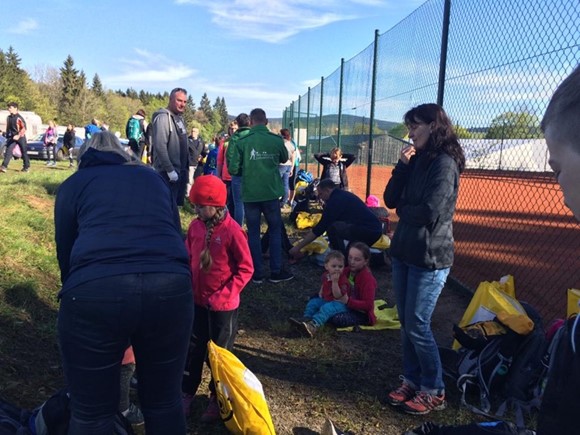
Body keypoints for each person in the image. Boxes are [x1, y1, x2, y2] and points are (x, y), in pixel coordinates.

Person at [54, 131, 194, 434]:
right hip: (170, 285)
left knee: (91, 413)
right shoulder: (152, 178)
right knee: (164, 400)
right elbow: (175, 232)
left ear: (84, 158)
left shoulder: (73, 185)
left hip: (95, 289)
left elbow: (65, 251)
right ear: (123, 154)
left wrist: (76, 297)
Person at [383, 103, 465, 416]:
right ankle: (412, 380)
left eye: (416, 125)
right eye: (410, 126)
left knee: (417, 324)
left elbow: (428, 211)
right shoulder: (417, 162)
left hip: (430, 257)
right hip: (405, 252)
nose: (410, 132)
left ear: (434, 126)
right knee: (407, 323)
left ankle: (434, 389)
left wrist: (405, 209)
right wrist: (402, 168)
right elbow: (392, 199)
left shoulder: (444, 164)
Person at [181, 175, 253, 422]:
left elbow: (246, 269)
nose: (196, 210)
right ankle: (186, 393)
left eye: (200, 206)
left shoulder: (233, 232)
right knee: (193, 349)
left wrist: (225, 294)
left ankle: (217, 397)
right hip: (197, 303)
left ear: (216, 205)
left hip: (223, 308)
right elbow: (186, 258)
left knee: (219, 354)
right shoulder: (195, 227)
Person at [228, 108, 293, 284]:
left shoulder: (243, 141)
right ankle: (276, 271)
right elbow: (284, 158)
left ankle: (256, 273)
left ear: (250, 122)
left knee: (253, 232)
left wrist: (248, 169)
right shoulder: (275, 140)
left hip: (250, 194)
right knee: (275, 229)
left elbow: (233, 168)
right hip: (271, 192)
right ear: (266, 122)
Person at [289, 178, 383, 258]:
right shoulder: (342, 195)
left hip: (368, 230)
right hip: (373, 229)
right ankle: (382, 259)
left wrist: (297, 247)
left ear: (327, 190)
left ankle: (339, 258)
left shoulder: (335, 201)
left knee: (333, 228)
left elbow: (320, 228)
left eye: (321, 194)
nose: (320, 197)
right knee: (353, 255)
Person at [289, 250, 351, 337]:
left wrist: (335, 282)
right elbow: (324, 283)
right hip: (328, 299)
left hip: (340, 303)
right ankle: (306, 318)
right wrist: (321, 292)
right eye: (334, 266)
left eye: (340, 266)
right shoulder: (326, 275)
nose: (337, 269)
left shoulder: (342, 280)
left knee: (326, 308)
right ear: (326, 266)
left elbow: (338, 295)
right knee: (313, 302)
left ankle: (314, 325)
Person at [151, 87, 189, 206]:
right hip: (167, 173)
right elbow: (160, 146)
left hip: (180, 171)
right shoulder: (163, 117)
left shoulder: (179, 119)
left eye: (184, 102)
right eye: (179, 100)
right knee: (164, 207)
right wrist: (170, 170)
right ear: (170, 99)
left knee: (174, 208)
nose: (182, 104)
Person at [328, 242, 377, 328]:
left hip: (361, 313)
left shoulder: (368, 279)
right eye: (350, 258)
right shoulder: (346, 271)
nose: (352, 262)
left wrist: (348, 301)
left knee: (337, 319)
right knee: (319, 303)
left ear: (366, 261)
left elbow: (368, 305)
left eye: (357, 259)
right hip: (345, 306)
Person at [226, 113, 251, 226]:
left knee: (238, 204)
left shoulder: (235, 137)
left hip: (238, 175)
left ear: (238, 123)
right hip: (253, 174)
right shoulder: (253, 135)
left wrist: (232, 170)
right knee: (251, 203)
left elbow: (230, 156)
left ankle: (238, 228)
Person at [1, 102, 30, 173]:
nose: (9, 109)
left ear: (15, 108)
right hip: (12, 137)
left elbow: (24, 128)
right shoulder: (9, 117)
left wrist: (18, 135)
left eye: (10, 108)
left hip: (20, 136)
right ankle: (4, 166)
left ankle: (26, 167)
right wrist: (7, 135)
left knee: (24, 152)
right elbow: (8, 128)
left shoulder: (19, 118)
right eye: (8, 108)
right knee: (8, 151)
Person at [217, 122, 236, 216]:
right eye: (232, 129)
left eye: (235, 129)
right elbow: (219, 160)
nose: (233, 131)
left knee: (237, 202)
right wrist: (218, 174)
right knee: (228, 201)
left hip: (238, 176)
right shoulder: (224, 142)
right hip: (226, 176)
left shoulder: (243, 141)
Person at [279, 128, 296, 208]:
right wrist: (292, 168)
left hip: (281, 164)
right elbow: (293, 156)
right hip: (289, 165)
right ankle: (284, 201)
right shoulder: (291, 144)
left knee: (276, 183)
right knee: (285, 184)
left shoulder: (282, 144)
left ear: (282, 135)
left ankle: (276, 200)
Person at [186, 127, 205, 197]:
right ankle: (188, 195)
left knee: (198, 180)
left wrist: (202, 156)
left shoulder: (201, 141)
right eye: (192, 131)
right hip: (190, 163)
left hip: (199, 164)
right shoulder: (187, 140)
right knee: (189, 180)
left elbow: (204, 151)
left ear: (198, 133)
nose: (193, 133)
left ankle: (197, 194)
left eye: (195, 131)